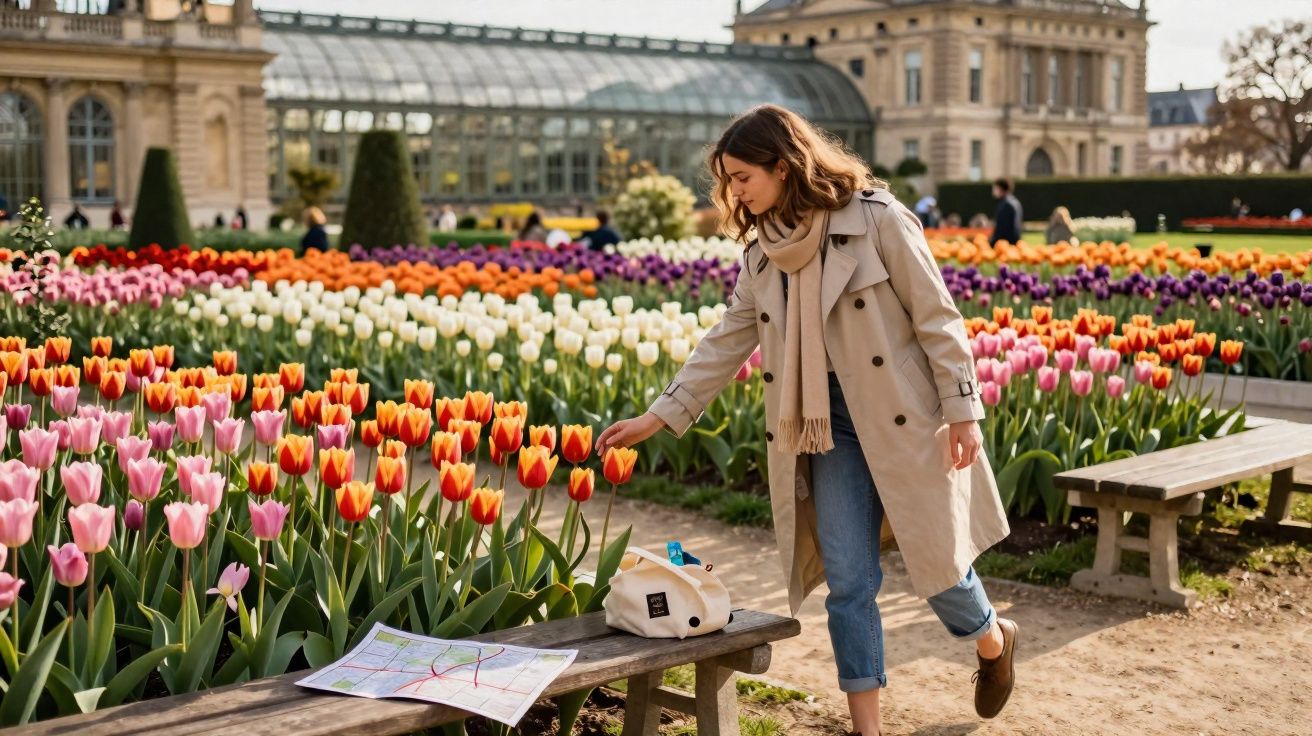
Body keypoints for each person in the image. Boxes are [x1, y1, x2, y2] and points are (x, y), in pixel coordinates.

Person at [594, 104, 1016, 736]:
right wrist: (659, 415)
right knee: (849, 580)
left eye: (742, 178)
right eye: (729, 179)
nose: (734, 192)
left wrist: (963, 412)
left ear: (784, 167)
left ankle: (991, 639)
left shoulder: (878, 220)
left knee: (941, 567)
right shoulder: (763, 254)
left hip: (907, 417)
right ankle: (867, 729)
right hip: (824, 428)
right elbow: (726, 341)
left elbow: (939, 316)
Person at [988, 177, 1022, 246]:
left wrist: (992, 243)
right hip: (1014, 242)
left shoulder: (1005, 205)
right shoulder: (1014, 201)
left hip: (1006, 244)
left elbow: (1001, 229)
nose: (993, 191)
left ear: (1000, 189)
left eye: (994, 188)